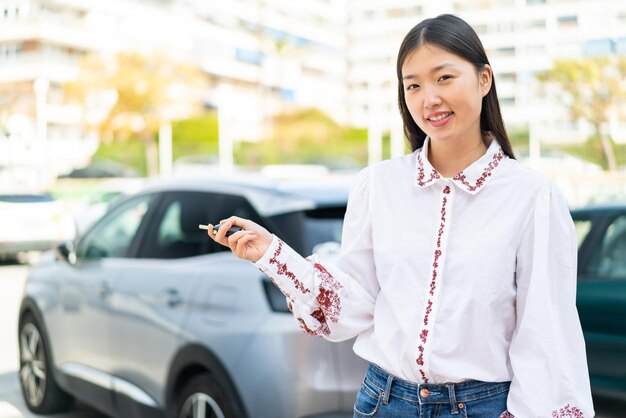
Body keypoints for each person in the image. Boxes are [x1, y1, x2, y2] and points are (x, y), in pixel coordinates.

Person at [207, 14, 595, 418]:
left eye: (444, 78)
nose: (429, 99)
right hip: (383, 403)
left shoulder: (532, 196)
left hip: (485, 407)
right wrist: (273, 255)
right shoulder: (378, 185)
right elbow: (353, 306)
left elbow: (546, 334)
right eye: (413, 85)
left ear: (484, 79)